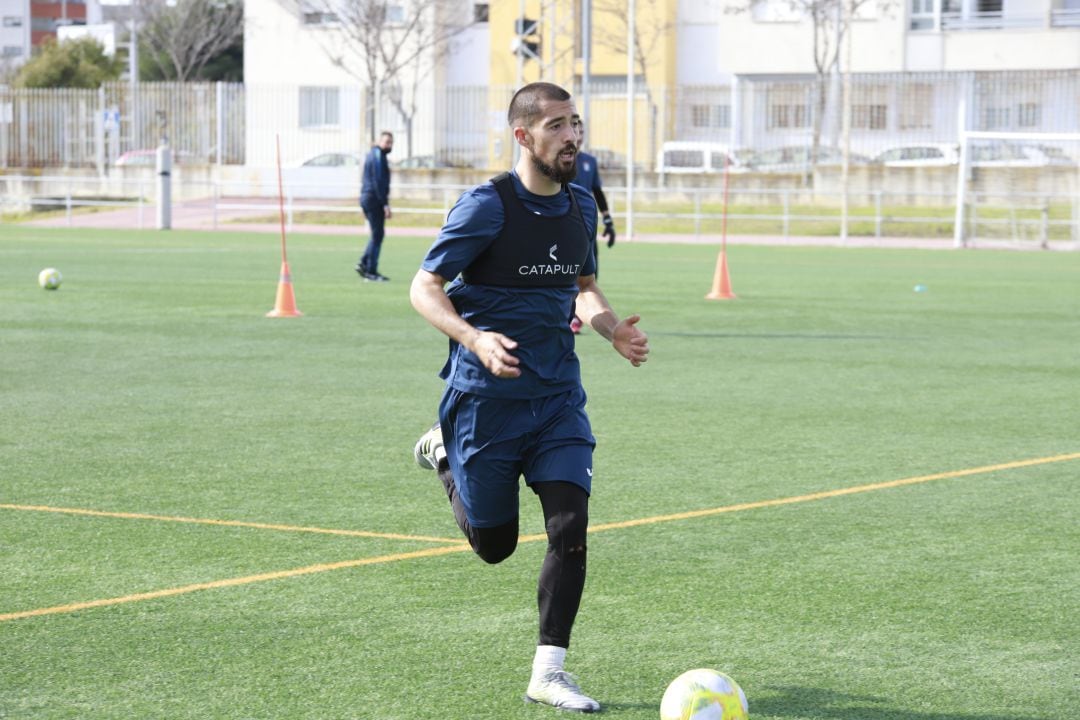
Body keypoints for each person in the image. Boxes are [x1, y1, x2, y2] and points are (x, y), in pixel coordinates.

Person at [409, 82, 649, 714]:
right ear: (524, 136)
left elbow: (583, 287)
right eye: (557, 126)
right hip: (486, 400)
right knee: (495, 548)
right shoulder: (486, 207)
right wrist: (473, 336)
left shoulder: (579, 208)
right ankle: (442, 454)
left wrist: (612, 329)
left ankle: (549, 672)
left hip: (557, 399)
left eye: (576, 123)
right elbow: (423, 286)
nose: (573, 136)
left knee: (570, 527)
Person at [570, 135, 616, 333]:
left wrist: (607, 220)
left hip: (586, 224)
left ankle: (579, 316)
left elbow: (597, 191)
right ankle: (569, 314)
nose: (576, 135)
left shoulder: (589, 161)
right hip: (565, 223)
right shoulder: (560, 161)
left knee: (589, 272)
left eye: (579, 129)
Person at [357, 131, 393, 282]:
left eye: (391, 142)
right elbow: (378, 181)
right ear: (379, 141)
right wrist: (385, 204)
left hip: (368, 197)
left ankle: (364, 263)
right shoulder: (377, 155)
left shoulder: (374, 154)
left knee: (376, 234)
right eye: (386, 142)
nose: (389, 145)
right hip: (374, 199)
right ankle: (370, 270)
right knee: (378, 235)